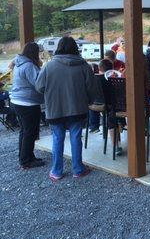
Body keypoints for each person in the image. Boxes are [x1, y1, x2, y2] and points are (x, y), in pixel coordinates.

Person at [35, 37, 103, 181]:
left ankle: (56, 171)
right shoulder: (84, 65)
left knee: (57, 139)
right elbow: (93, 88)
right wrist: (89, 101)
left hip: (55, 109)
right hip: (78, 108)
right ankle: (78, 169)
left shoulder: (48, 66)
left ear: (59, 48)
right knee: (76, 138)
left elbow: (39, 87)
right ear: (75, 48)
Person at [10, 42, 45, 169]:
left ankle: (26, 157)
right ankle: (26, 161)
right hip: (28, 103)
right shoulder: (29, 65)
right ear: (34, 53)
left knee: (25, 131)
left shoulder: (19, 62)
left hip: (18, 101)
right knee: (30, 132)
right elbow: (38, 84)